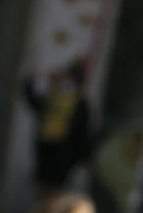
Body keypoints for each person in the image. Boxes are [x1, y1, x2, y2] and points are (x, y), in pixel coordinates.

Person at [22, 59, 95, 199]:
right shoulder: (71, 100)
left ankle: (47, 212)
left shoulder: (58, 97)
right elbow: (84, 133)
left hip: (53, 148)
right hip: (58, 150)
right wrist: (85, 157)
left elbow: (34, 102)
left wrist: (28, 83)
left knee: (47, 186)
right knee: (52, 187)